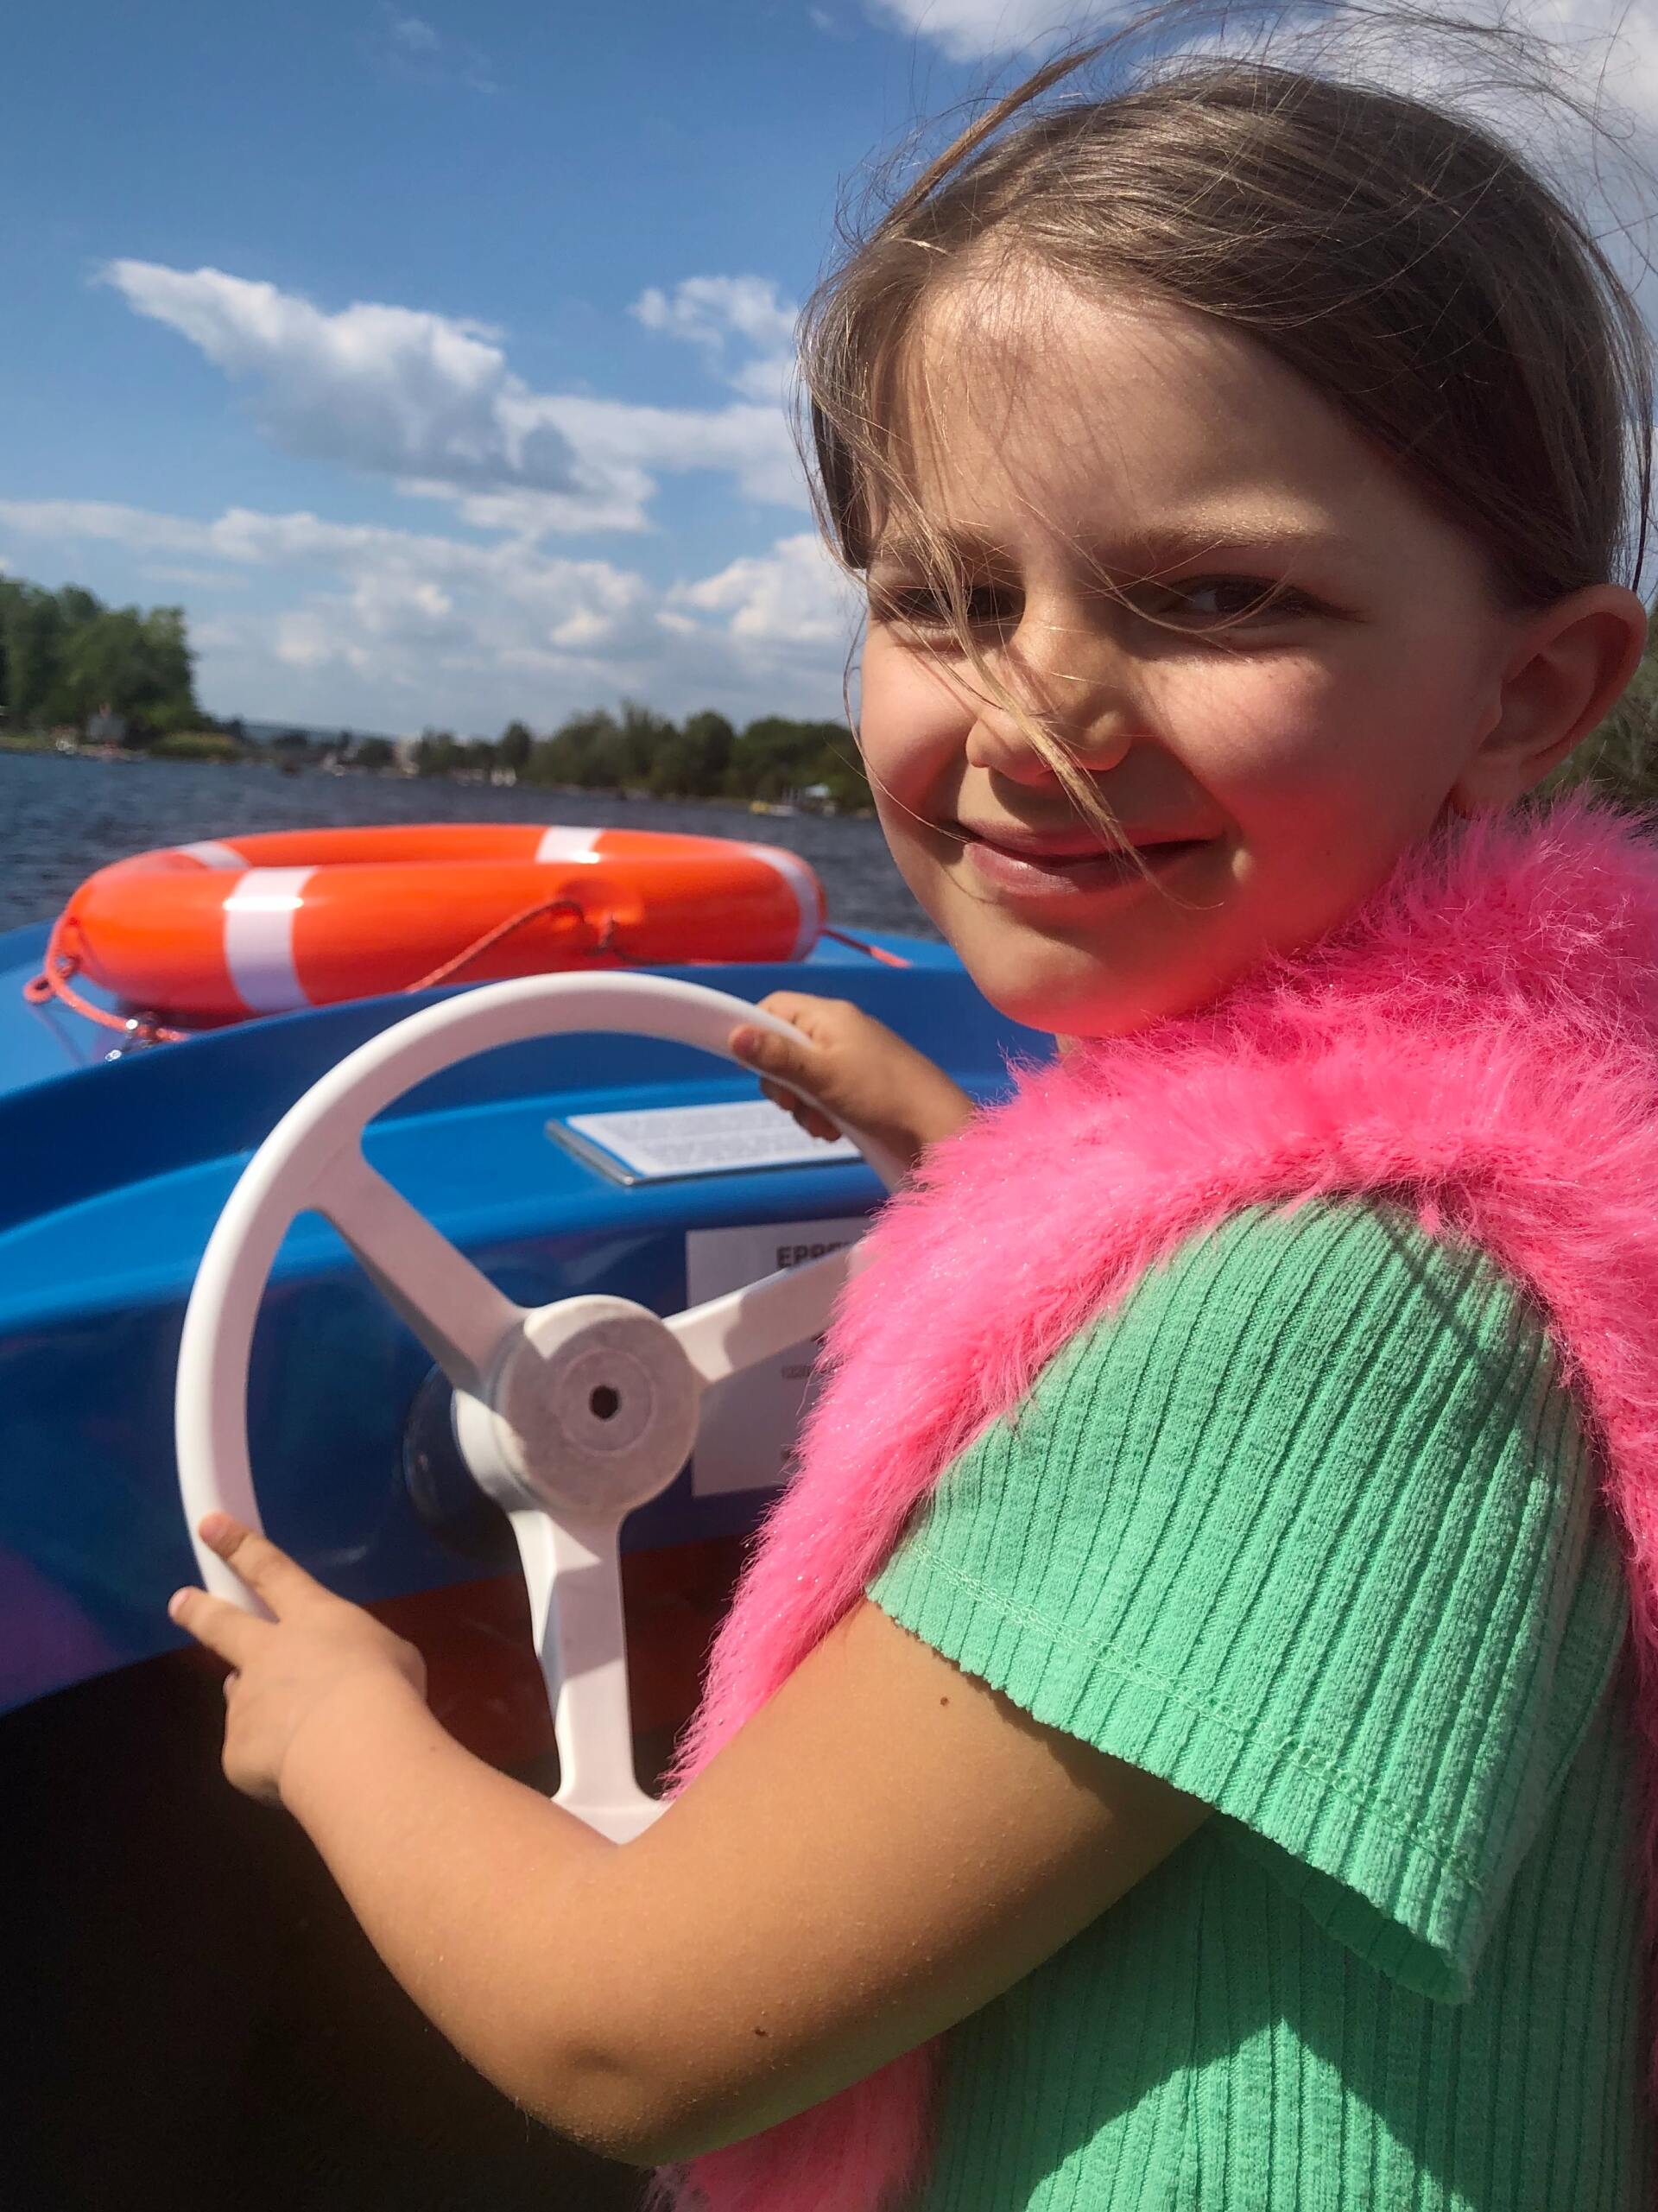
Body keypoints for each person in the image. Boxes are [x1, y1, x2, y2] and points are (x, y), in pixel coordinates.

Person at [168, 16, 1658, 2209]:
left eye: (1220, 594)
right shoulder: (1488, 1183)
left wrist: (347, 1726)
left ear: (1529, 688)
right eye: (946, 598)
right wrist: (966, 1174)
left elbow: (627, 2026)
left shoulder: (1351, 1315)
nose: (1036, 712)